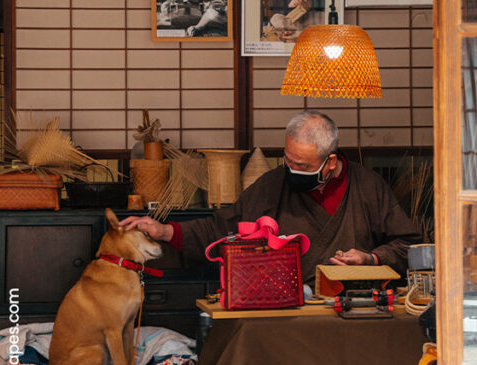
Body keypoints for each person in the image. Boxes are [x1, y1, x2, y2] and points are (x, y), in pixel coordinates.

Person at [121, 110, 421, 283]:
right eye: (288, 160)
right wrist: (165, 231)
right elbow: (222, 229)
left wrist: (371, 258)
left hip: (355, 302)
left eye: (302, 165)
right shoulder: (272, 184)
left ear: (330, 162)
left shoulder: (368, 186)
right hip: (287, 303)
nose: (292, 169)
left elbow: (408, 245)